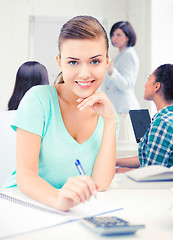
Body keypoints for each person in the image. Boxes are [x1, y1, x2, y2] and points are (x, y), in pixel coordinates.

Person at [3, 16, 119, 212]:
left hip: (67, 212)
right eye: (73, 63)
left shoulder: (105, 111)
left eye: (95, 61)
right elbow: (26, 177)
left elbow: (101, 182)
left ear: (107, 62)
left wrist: (110, 121)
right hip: (20, 205)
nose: (84, 74)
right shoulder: (39, 99)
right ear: (59, 62)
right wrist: (59, 199)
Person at [116, 64, 173, 173]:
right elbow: (147, 158)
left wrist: (119, 171)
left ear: (157, 86)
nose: (145, 84)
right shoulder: (168, 117)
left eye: (149, 79)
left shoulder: (162, 123)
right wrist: (116, 161)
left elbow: (151, 172)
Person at [102, 21, 140, 141]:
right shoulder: (120, 55)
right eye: (113, 35)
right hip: (119, 110)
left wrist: (112, 72)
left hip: (125, 111)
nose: (114, 38)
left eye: (119, 35)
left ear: (128, 37)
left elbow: (126, 85)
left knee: (124, 148)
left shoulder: (128, 55)